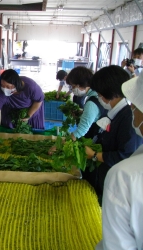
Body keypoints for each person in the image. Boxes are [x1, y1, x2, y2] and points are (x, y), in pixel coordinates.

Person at [95, 70, 143, 250]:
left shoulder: (125, 175)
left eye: (135, 106)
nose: (132, 109)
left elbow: (117, 245)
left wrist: (94, 155)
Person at [84, 65, 142, 197]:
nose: (99, 98)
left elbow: (125, 154)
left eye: (99, 94)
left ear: (111, 93)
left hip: (114, 184)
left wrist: (95, 155)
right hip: (103, 176)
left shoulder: (128, 119)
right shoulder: (113, 113)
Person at [0, 69, 44, 142]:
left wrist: (29, 115)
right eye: (2, 85)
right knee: (9, 136)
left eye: (8, 87)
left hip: (31, 109)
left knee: (33, 136)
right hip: (10, 111)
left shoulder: (30, 86)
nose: (5, 89)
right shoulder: (1, 93)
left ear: (16, 84)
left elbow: (38, 101)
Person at [65, 66, 105, 140]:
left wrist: (59, 145)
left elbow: (80, 131)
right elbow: (95, 114)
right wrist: (82, 112)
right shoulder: (96, 94)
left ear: (81, 84)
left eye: (73, 86)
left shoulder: (91, 104)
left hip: (94, 137)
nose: (73, 89)